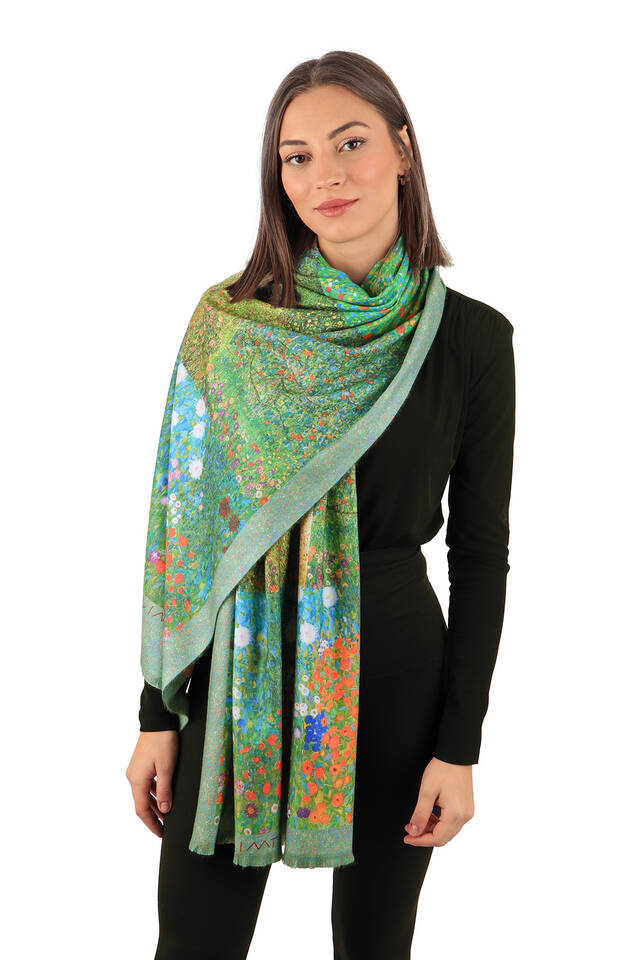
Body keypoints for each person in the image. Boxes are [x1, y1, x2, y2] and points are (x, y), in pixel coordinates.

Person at [125, 49, 516, 960]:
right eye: (296, 157)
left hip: (395, 676)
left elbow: (479, 554)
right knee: (194, 942)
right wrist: (156, 712)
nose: (325, 176)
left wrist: (460, 745)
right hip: (239, 672)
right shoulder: (231, 327)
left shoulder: (471, 340)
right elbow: (182, 535)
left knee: (375, 946)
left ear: (403, 151)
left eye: (350, 144)